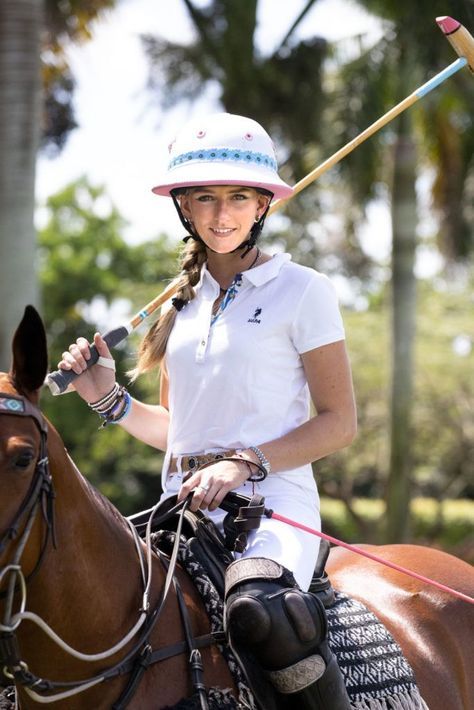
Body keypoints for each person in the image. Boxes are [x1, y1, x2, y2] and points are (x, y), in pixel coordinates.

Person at [59, 112, 356, 709]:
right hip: (181, 508)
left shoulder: (303, 290)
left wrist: (244, 463)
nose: (222, 215)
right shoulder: (180, 307)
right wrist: (108, 400)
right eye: (206, 198)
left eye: (238, 197)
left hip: (272, 509)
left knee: (260, 607)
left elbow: (339, 422)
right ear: (184, 207)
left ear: (261, 206)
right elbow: (182, 434)